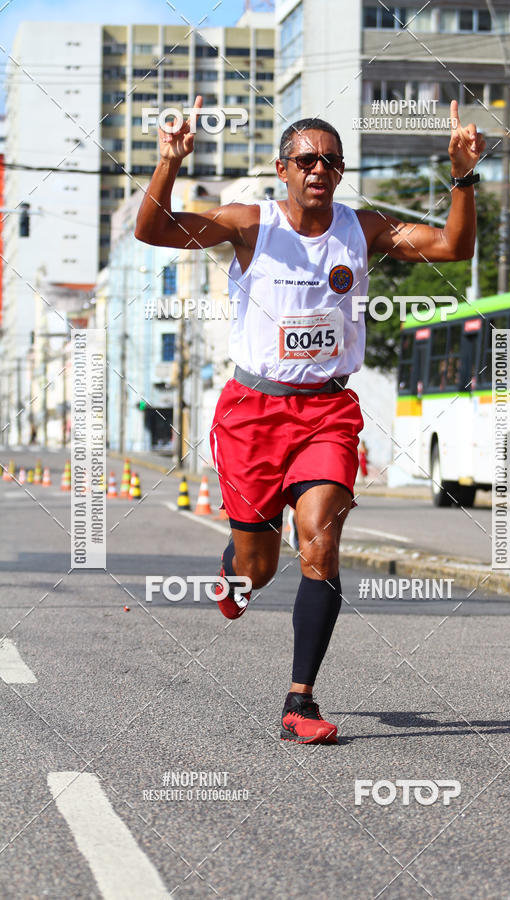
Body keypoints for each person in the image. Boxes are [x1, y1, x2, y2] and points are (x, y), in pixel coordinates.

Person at [135, 95, 484, 744]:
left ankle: (301, 699)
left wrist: (462, 176)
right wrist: (168, 163)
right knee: (259, 566)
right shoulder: (248, 223)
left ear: (340, 172)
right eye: (307, 159)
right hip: (253, 413)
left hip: (327, 410)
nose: (319, 168)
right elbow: (154, 232)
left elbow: (454, 247)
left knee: (320, 541)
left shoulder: (365, 228)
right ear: (283, 169)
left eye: (331, 160)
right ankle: (235, 569)